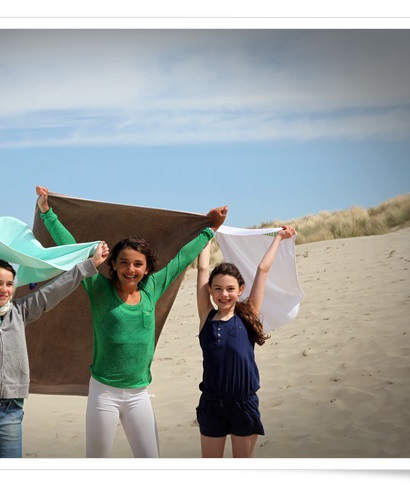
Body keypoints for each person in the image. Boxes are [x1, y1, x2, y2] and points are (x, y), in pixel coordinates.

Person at [35, 186, 228, 458]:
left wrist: (211, 227)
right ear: (113, 264)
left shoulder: (153, 286)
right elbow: (75, 250)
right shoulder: (99, 288)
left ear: (147, 268)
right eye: (124, 263)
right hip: (104, 394)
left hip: (139, 395)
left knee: (151, 462)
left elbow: (184, 256)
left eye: (137, 264)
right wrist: (47, 213)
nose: (130, 269)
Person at [0, 210, 109, 458]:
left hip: (11, 412)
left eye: (9, 284)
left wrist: (89, 266)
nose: (4, 289)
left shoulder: (20, 312)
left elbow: (54, 291)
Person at [195, 225, 296, 458]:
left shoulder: (248, 316)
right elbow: (202, 268)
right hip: (212, 404)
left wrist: (279, 237)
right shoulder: (206, 317)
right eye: (218, 289)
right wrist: (208, 234)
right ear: (210, 290)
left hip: (244, 404)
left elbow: (262, 270)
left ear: (240, 290)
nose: (224, 294)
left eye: (230, 289)